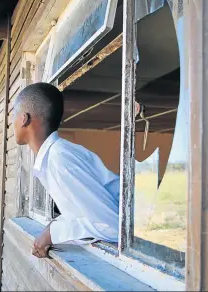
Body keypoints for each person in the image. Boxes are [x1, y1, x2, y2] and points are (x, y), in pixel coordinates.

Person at [12, 83, 143, 258]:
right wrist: (52, 227)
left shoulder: (60, 160)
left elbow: (113, 227)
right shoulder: (56, 155)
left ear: (24, 119)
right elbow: (79, 213)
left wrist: (53, 233)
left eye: (13, 115)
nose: (10, 123)